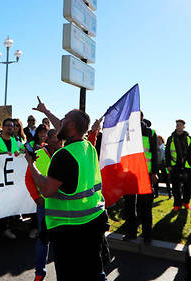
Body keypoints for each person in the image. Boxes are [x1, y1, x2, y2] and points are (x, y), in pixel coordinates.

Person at [26, 109, 108, 281]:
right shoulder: (88, 147)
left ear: (70, 125)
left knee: (70, 276)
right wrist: (46, 111)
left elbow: (48, 190)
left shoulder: (63, 155)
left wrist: (31, 165)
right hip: (93, 221)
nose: (59, 121)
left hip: (70, 230)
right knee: (95, 273)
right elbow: (68, 128)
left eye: (64, 119)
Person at [24, 128, 61, 281]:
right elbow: (28, 178)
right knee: (43, 240)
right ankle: (40, 272)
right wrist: (36, 198)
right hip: (44, 204)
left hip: (61, 205)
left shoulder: (64, 154)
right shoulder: (38, 155)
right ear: (50, 138)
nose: (61, 141)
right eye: (58, 138)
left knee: (61, 240)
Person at [122, 118, 158, 244]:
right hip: (129, 174)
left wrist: (154, 172)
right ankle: (131, 233)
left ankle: (147, 235)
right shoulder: (125, 131)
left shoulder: (150, 132)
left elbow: (154, 153)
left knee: (146, 206)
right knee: (130, 205)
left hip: (145, 174)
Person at [166, 119, 191, 211]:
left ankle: (186, 202)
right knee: (175, 187)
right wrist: (168, 165)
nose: (178, 126)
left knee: (188, 187)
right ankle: (177, 204)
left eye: (180, 125)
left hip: (187, 167)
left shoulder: (189, 138)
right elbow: (167, 153)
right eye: (177, 125)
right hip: (175, 166)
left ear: (183, 127)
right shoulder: (171, 138)